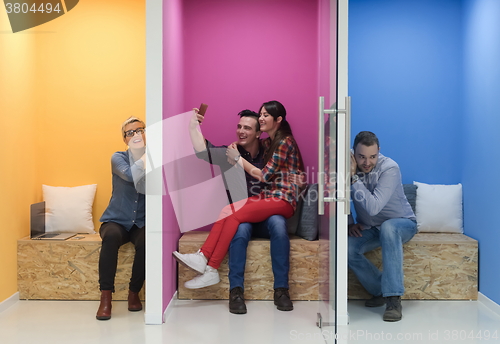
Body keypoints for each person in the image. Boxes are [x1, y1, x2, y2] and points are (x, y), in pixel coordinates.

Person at [173, 101, 304, 310]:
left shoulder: (272, 145)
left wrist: (300, 180)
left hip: (273, 208)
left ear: (259, 132)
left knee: (277, 225)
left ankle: (281, 290)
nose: (241, 131)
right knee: (238, 223)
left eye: (248, 128)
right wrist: (192, 126)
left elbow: (273, 173)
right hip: (250, 212)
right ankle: (235, 292)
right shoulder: (231, 153)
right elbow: (201, 150)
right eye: (239, 127)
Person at [348, 131, 416, 322]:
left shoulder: (390, 168)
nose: (367, 162)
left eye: (372, 156)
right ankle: (380, 290)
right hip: (372, 228)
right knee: (346, 249)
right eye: (361, 157)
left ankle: (393, 298)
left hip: (402, 224)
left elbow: (373, 207)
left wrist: (353, 178)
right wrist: (349, 222)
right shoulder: (349, 163)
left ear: (379, 151)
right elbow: (340, 196)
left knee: (389, 227)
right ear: (353, 153)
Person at [96, 117, 146, 321]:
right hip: (116, 220)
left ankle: (134, 292)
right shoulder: (118, 158)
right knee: (110, 239)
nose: (135, 135)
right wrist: (147, 157)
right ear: (124, 139)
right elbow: (130, 176)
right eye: (130, 133)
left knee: (147, 241)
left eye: (139, 130)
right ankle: (105, 298)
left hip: (141, 222)